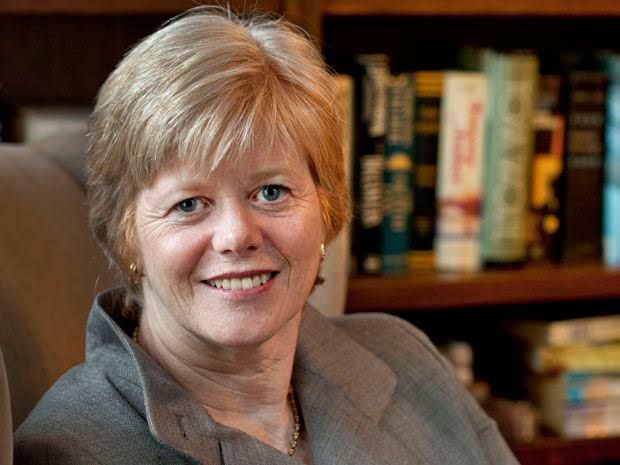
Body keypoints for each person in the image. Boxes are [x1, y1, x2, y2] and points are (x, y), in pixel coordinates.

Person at [14, 7, 520, 465]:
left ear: (326, 206)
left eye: (271, 192)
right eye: (189, 204)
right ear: (128, 235)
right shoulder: (72, 450)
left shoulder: (403, 358)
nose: (237, 236)